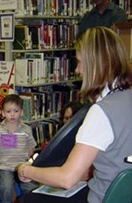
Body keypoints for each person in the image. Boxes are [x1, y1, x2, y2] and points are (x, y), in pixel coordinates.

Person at [17, 26, 132, 202]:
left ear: (95, 65)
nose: (77, 70)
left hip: (103, 197)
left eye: (79, 62)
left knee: (28, 199)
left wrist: (26, 170)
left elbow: (66, 179)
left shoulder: (101, 112)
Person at [0, 94, 38, 203]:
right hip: (6, 167)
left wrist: (29, 160)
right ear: (3, 113)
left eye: (16, 111)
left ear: (22, 112)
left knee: (31, 188)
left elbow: (31, 146)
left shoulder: (26, 129)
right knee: (6, 188)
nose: (12, 115)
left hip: (23, 166)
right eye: (9, 111)